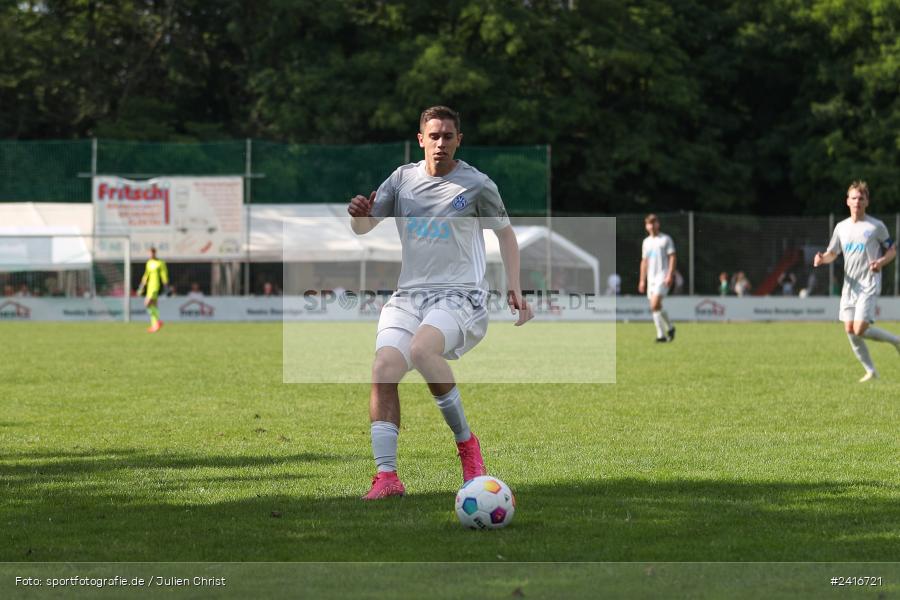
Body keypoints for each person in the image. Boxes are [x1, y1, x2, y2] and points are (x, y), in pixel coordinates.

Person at [347, 105, 533, 500]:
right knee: (383, 368)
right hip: (409, 295)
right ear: (420, 139)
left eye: (448, 136)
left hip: (460, 295)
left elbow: (507, 235)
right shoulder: (401, 180)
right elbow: (364, 228)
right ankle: (387, 478)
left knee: (422, 348)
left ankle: (468, 448)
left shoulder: (478, 184)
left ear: (458, 140)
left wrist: (515, 286)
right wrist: (358, 216)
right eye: (434, 136)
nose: (441, 143)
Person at [814, 181, 900, 382]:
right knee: (850, 330)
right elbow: (833, 253)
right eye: (853, 198)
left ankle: (896, 341)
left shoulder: (876, 226)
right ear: (847, 201)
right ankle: (871, 371)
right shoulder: (841, 227)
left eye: (861, 198)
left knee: (860, 329)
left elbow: (892, 250)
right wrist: (821, 259)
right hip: (849, 285)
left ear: (867, 201)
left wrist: (881, 262)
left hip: (868, 283)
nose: (857, 202)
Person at [638, 214, 676, 342]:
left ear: (658, 224)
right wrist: (642, 280)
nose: (651, 225)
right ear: (646, 226)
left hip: (662, 276)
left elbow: (672, 257)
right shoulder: (646, 242)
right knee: (656, 306)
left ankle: (661, 335)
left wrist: (670, 274)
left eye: (654, 223)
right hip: (651, 278)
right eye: (649, 223)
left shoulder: (665, 239)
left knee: (654, 304)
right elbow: (644, 261)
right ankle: (670, 327)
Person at [136, 247, 169, 333]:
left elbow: (163, 274)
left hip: (155, 285)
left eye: (152, 253)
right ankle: (155, 325)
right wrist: (141, 286)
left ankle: (157, 322)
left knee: (147, 303)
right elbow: (146, 275)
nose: (150, 255)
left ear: (155, 253)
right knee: (153, 305)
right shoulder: (149, 263)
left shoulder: (160, 263)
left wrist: (166, 286)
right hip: (149, 286)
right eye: (149, 253)